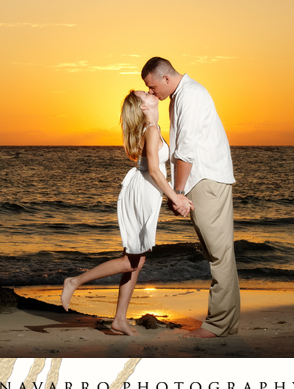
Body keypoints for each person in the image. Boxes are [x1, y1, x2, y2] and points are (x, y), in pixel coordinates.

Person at [61, 89, 194, 335]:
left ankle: (119, 319)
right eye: (145, 93)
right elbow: (155, 170)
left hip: (145, 191)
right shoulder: (152, 131)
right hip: (143, 191)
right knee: (131, 261)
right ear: (144, 106)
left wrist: (173, 194)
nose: (149, 91)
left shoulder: (153, 129)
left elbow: (156, 170)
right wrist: (175, 197)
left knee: (135, 261)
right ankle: (74, 282)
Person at [141, 57, 239, 338]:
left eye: (152, 86)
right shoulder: (180, 96)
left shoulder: (190, 95)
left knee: (219, 253)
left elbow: (186, 150)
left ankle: (218, 325)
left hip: (205, 180)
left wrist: (178, 192)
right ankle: (226, 324)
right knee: (217, 252)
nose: (151, 92)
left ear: (166, 79)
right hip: (203, 179)